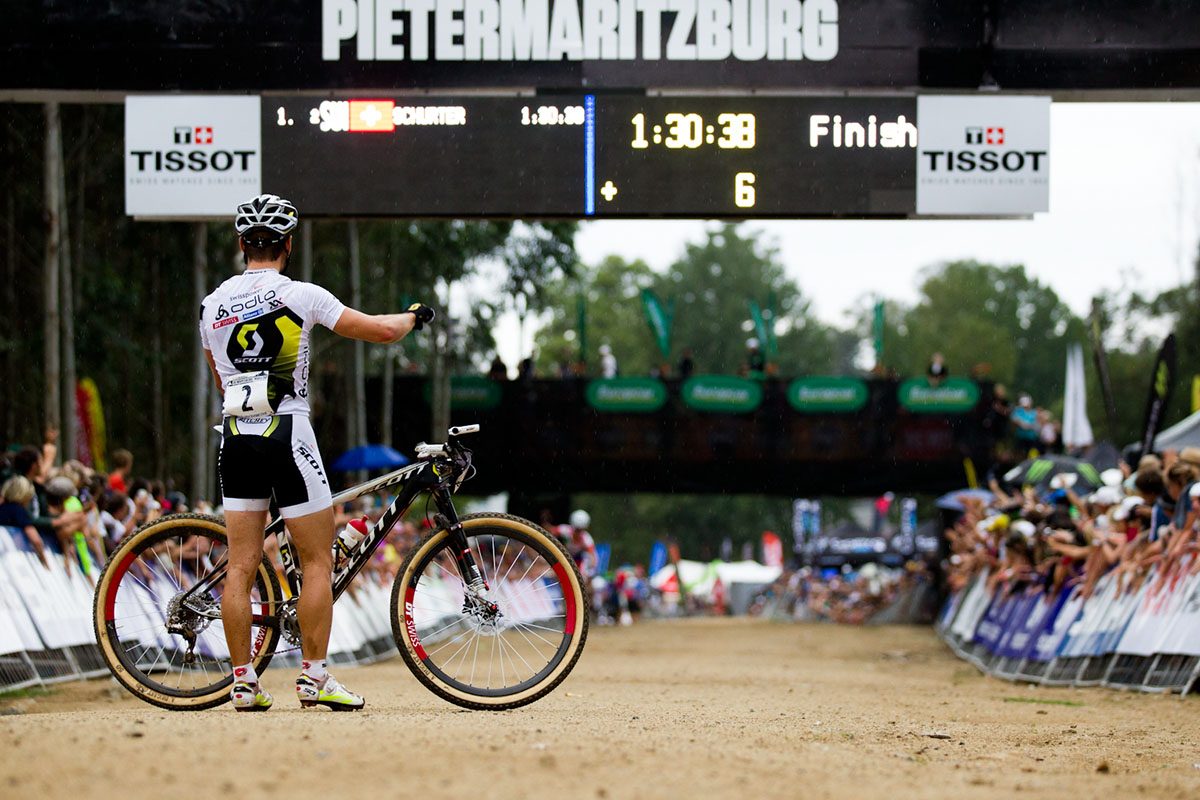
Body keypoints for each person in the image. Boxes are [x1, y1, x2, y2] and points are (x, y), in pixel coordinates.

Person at [200, 193, 434, 712]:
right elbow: (381, 331)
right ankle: (313, 678)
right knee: (315, 563)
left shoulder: (211, 305)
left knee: (240, 566)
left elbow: (221, 376)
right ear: (288, 244)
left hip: (237, 433)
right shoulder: (300, 294)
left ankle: (242, 683)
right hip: (288, 432)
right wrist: (415, 316)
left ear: (242, 245)